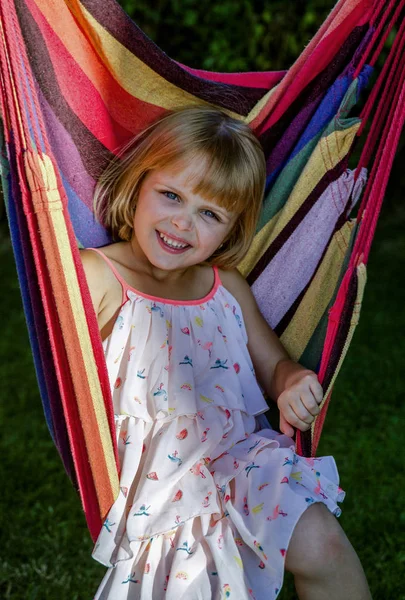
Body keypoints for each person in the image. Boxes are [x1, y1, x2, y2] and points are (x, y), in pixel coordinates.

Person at [80, 106, 372, 600]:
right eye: (171, 195)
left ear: (233, 229)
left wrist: (291, 381)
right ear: (137, 185)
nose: (182, 223)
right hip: (162, 500)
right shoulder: (98, 276)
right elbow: (62, 360)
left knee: (323, 545)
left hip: (243, 467)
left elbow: (274, 364)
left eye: (209, 214)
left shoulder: (226, 287)